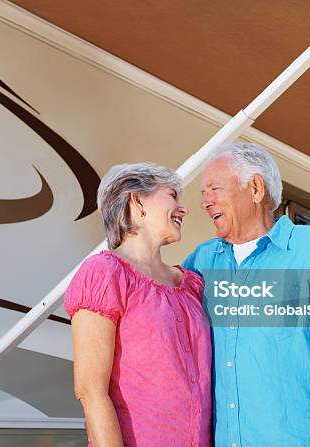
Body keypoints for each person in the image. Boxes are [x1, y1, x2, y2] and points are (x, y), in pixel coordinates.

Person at [183, 143, 310, 446]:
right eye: (203, 194)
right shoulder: (201, 262)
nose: (205, 202)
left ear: (255, 188)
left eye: (214, 189)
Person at [65, 163, 212, 447]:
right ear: (137, 200)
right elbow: (90, 389)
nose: (184, 209)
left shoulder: (192, 284)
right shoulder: (105, 273)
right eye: (172, 196)